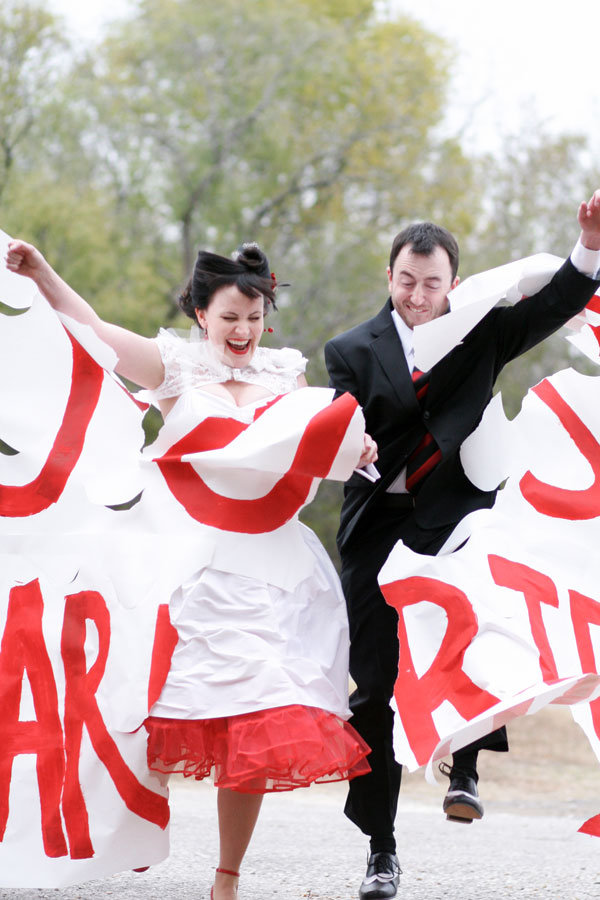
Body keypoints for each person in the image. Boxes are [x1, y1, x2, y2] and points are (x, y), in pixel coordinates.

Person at [5, 238, 377, 900]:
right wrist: (43, 274)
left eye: (255, 317)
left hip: (271, 572)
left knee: (260, 711)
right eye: (231, 316)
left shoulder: (288, 375)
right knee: (134, 710)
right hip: (183, 570)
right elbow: (92, 330)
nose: (243, 330)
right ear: (201, 313)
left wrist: (356, 443)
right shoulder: (172, 366)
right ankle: (101, 834)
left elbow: (315, 443)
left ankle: (226, 878)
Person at [324, 190, 600, 899]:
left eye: (433, 283)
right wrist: (344, 443)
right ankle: (381, 850)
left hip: (457, 522)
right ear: (390, 278)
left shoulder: (482, 333)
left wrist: (589, 242)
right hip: (379, 530)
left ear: (454, 282)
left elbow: (558, 297)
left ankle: (467, 766)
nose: (418, 296)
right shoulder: (351, 349)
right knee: (378, 691)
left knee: (478, 632)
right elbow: (345, 419)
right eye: (407, 281)